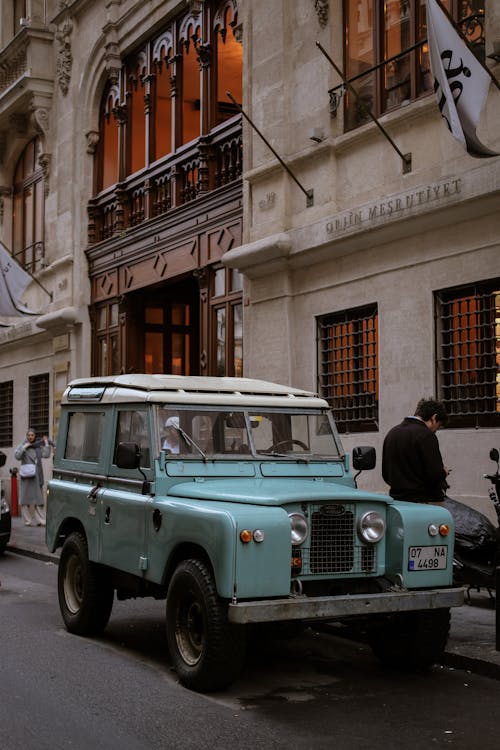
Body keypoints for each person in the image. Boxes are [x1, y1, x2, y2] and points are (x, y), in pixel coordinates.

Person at [382, 398, 449, 504]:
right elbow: (434, 475)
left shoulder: (392, 433)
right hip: (426, 502)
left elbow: (386, 474)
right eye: (438, 426)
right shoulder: (426, 435)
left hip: (397, 501)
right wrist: (443, 473)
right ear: (434, 418)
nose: (436, 430)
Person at [14, 428, 52, 526]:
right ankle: (27, 521)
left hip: (37, 476)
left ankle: (41, 521)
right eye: (28, 435)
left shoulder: (38, 446)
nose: (30, 437)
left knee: (38, 500)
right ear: (26, 436)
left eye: (32, 435)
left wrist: (47, 443)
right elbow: (17, 456)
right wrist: (24, 447)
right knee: (24, 500)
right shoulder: (23, 445)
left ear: (35, 436)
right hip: (26, 477)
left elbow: (46, 455)